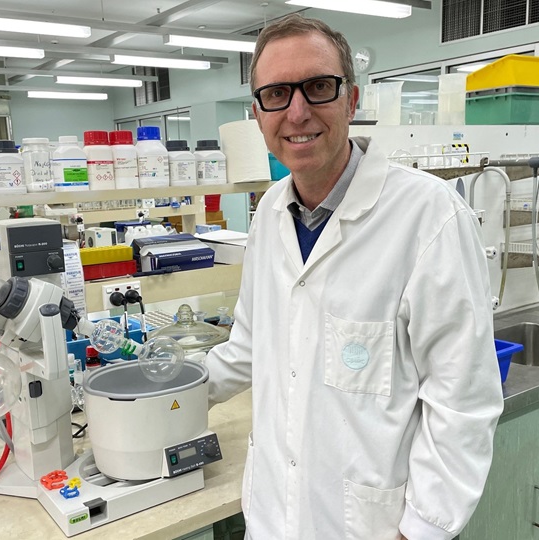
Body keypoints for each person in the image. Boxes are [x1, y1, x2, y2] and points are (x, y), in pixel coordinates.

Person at [204, 13, 504, 540]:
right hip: (274, 516)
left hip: (373, 528)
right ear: (257, 114)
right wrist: (165, 392)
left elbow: (463, 400)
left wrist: (423, 530)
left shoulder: (428, 216)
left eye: (317, 87)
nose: (297, 112)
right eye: (276, 94)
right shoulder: (270, 212)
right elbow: (251, 345)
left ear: (351, 99)